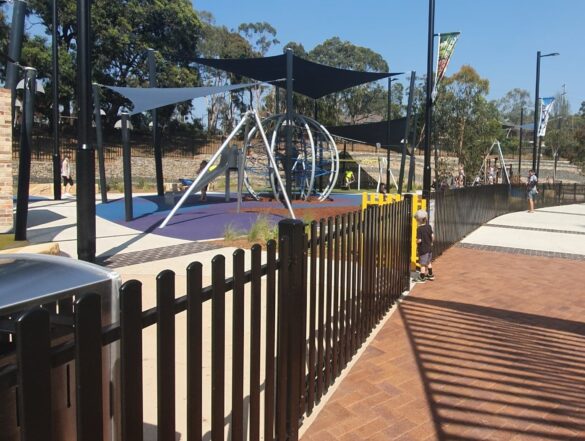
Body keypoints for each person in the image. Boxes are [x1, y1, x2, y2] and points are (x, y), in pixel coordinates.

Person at [415, 209, 434, 283]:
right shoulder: (429, 226)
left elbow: (419, 240)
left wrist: (416, 241)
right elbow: (432, 236)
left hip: (423, 249)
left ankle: (422, 277)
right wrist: (431, 242)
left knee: (422, 264)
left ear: (418, 220)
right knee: (429, 262)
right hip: (429, 248)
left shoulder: (419, 229)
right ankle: (430, 274)